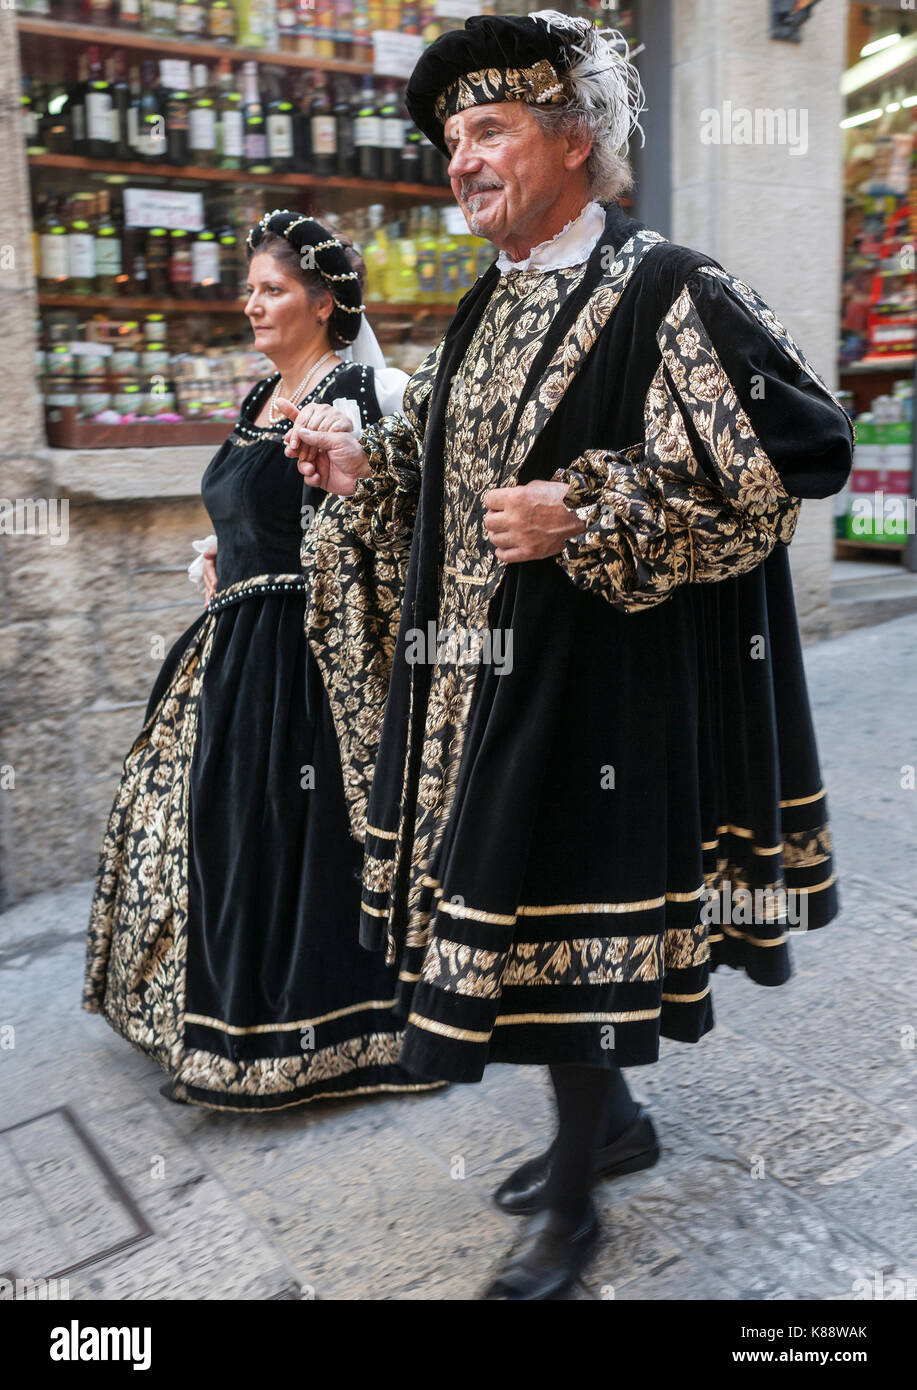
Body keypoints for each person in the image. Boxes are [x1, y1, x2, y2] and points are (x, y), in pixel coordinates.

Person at [282, 12, 855, 1297]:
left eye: (488, 132)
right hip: (481, 682)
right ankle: (609, 1129)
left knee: (567, 928)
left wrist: (586, 509)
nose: (461, 161)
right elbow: (449, 458)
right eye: (449, 141)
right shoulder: (490, 296)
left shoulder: (670, 286)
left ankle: (581, 1199)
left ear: (573, 141)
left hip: (603, 690)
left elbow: (802, 451)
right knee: (522, 917)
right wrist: (371, 462)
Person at [83, 210, 442, 1112]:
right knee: (221, 827)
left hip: (302, 657)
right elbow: (250, 511)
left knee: (290, 837)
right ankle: (223, 1023)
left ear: (323, 303)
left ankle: (323, 1037)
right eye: (250, 288)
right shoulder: (258, 399)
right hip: (232, 649)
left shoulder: (357, 398)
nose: (252, 304)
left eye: (272, 290)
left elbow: (384, 532)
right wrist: (222, 552)